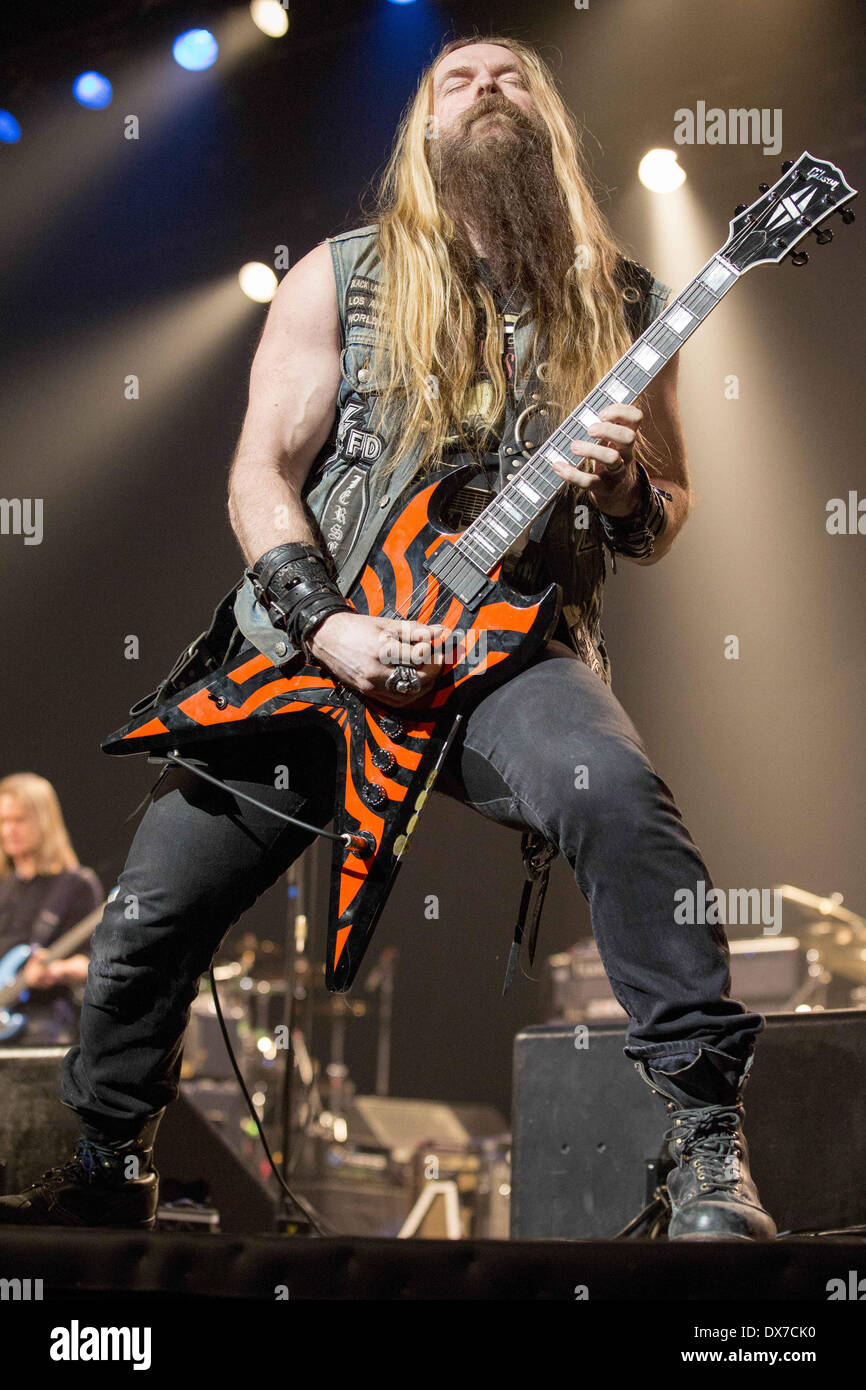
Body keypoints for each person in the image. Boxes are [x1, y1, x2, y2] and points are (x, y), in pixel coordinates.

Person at [0, 35, 775, 1240]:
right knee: (154, 901)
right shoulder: (341, 276)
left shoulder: (619, 301)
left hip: (509, 650)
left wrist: (624, 492)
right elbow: (259, 472)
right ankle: (108, 1158)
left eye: (510, 75)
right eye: (455, 78)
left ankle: (706, 1147)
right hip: (314, 652)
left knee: (619, 799)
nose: (484, 90)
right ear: (418, 129)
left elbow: (665, 512)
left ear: (550, 123)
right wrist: (328, 625)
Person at [0, 773, 101, 1046]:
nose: (8, 830)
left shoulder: (75, 884)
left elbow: (94, 961)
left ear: (43, 821)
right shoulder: (4, 883)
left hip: (40, 1028)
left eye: (18, 820)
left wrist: (55, 971)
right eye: (3, 821)